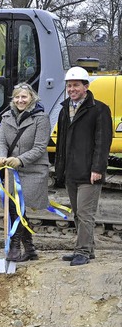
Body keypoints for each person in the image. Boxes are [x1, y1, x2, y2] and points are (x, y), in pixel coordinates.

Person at [55, 67, 112, 266]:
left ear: (86, 86)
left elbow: (103, 142)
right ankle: (88, 248)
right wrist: (59, 170)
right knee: (77, 213)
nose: (72, 89)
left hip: (89, 172)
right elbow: (62, 142)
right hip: (71, 171)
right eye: (69, 86)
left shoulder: (99, 109)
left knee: (86, 214)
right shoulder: (65, 109)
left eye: (76, 85)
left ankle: (82, 252)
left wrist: (98, 169)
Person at [0, 83, 50, 262]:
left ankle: (15, 246)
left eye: (24, 97)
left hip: (33, 170)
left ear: (31, 98)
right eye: (17, 97)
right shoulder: (6, 117)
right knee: (15, 207)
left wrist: (20, 160)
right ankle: (30, 248)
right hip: (12, 171)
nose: (20, 100)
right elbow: (1, 141)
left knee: (18, 207)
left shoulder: (41, 118)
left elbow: (40, 147)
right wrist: (1, 157)